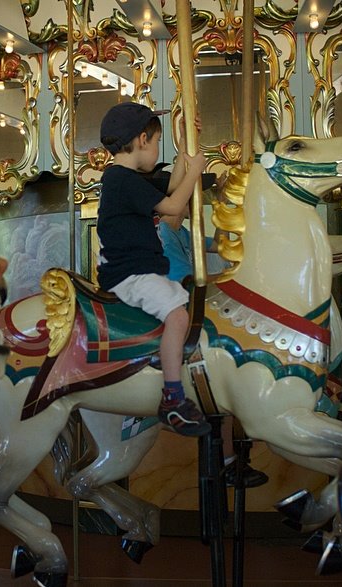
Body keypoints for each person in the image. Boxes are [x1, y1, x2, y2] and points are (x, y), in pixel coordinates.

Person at [97, 102, 210, 437]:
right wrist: (195, 170)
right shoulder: (121, 180)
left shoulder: (124, 178)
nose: (156, 149)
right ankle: (172, 399)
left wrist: (183, 152)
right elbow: (176, 205)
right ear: (143, 140)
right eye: (158, 142)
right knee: (178, 316)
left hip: (138, 271)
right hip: (131, 275)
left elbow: (170, 193)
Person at [157, 183, 269, 487]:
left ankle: (231, 458)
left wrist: (224, 211)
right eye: (186, 200)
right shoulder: (163, 232)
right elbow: (182, 273)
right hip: (179, 300)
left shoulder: (182, 231)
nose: (189, 205)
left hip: (191, 299)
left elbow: (219, 246)